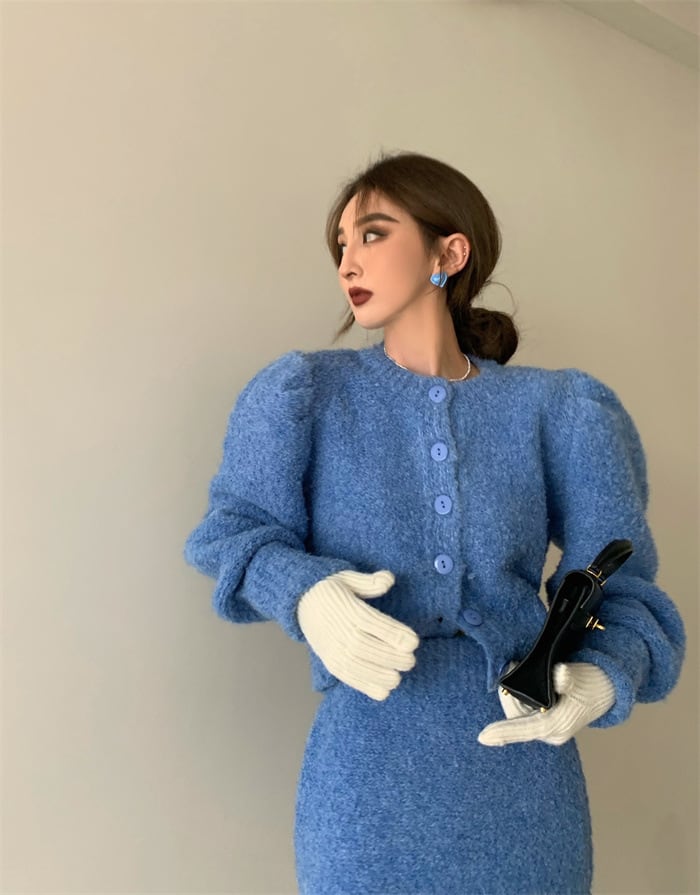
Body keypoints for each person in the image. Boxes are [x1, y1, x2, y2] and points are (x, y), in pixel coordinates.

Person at [183, 150, 686, 895]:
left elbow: (624, 581)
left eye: (373, 234)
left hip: (525, 781)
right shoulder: (305, 394)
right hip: (365, 779)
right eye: (341, 244)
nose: (348, 261)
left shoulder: (557, 409)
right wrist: (306, 593)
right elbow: (232, 531)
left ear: (449, 253)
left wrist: (603, 676)